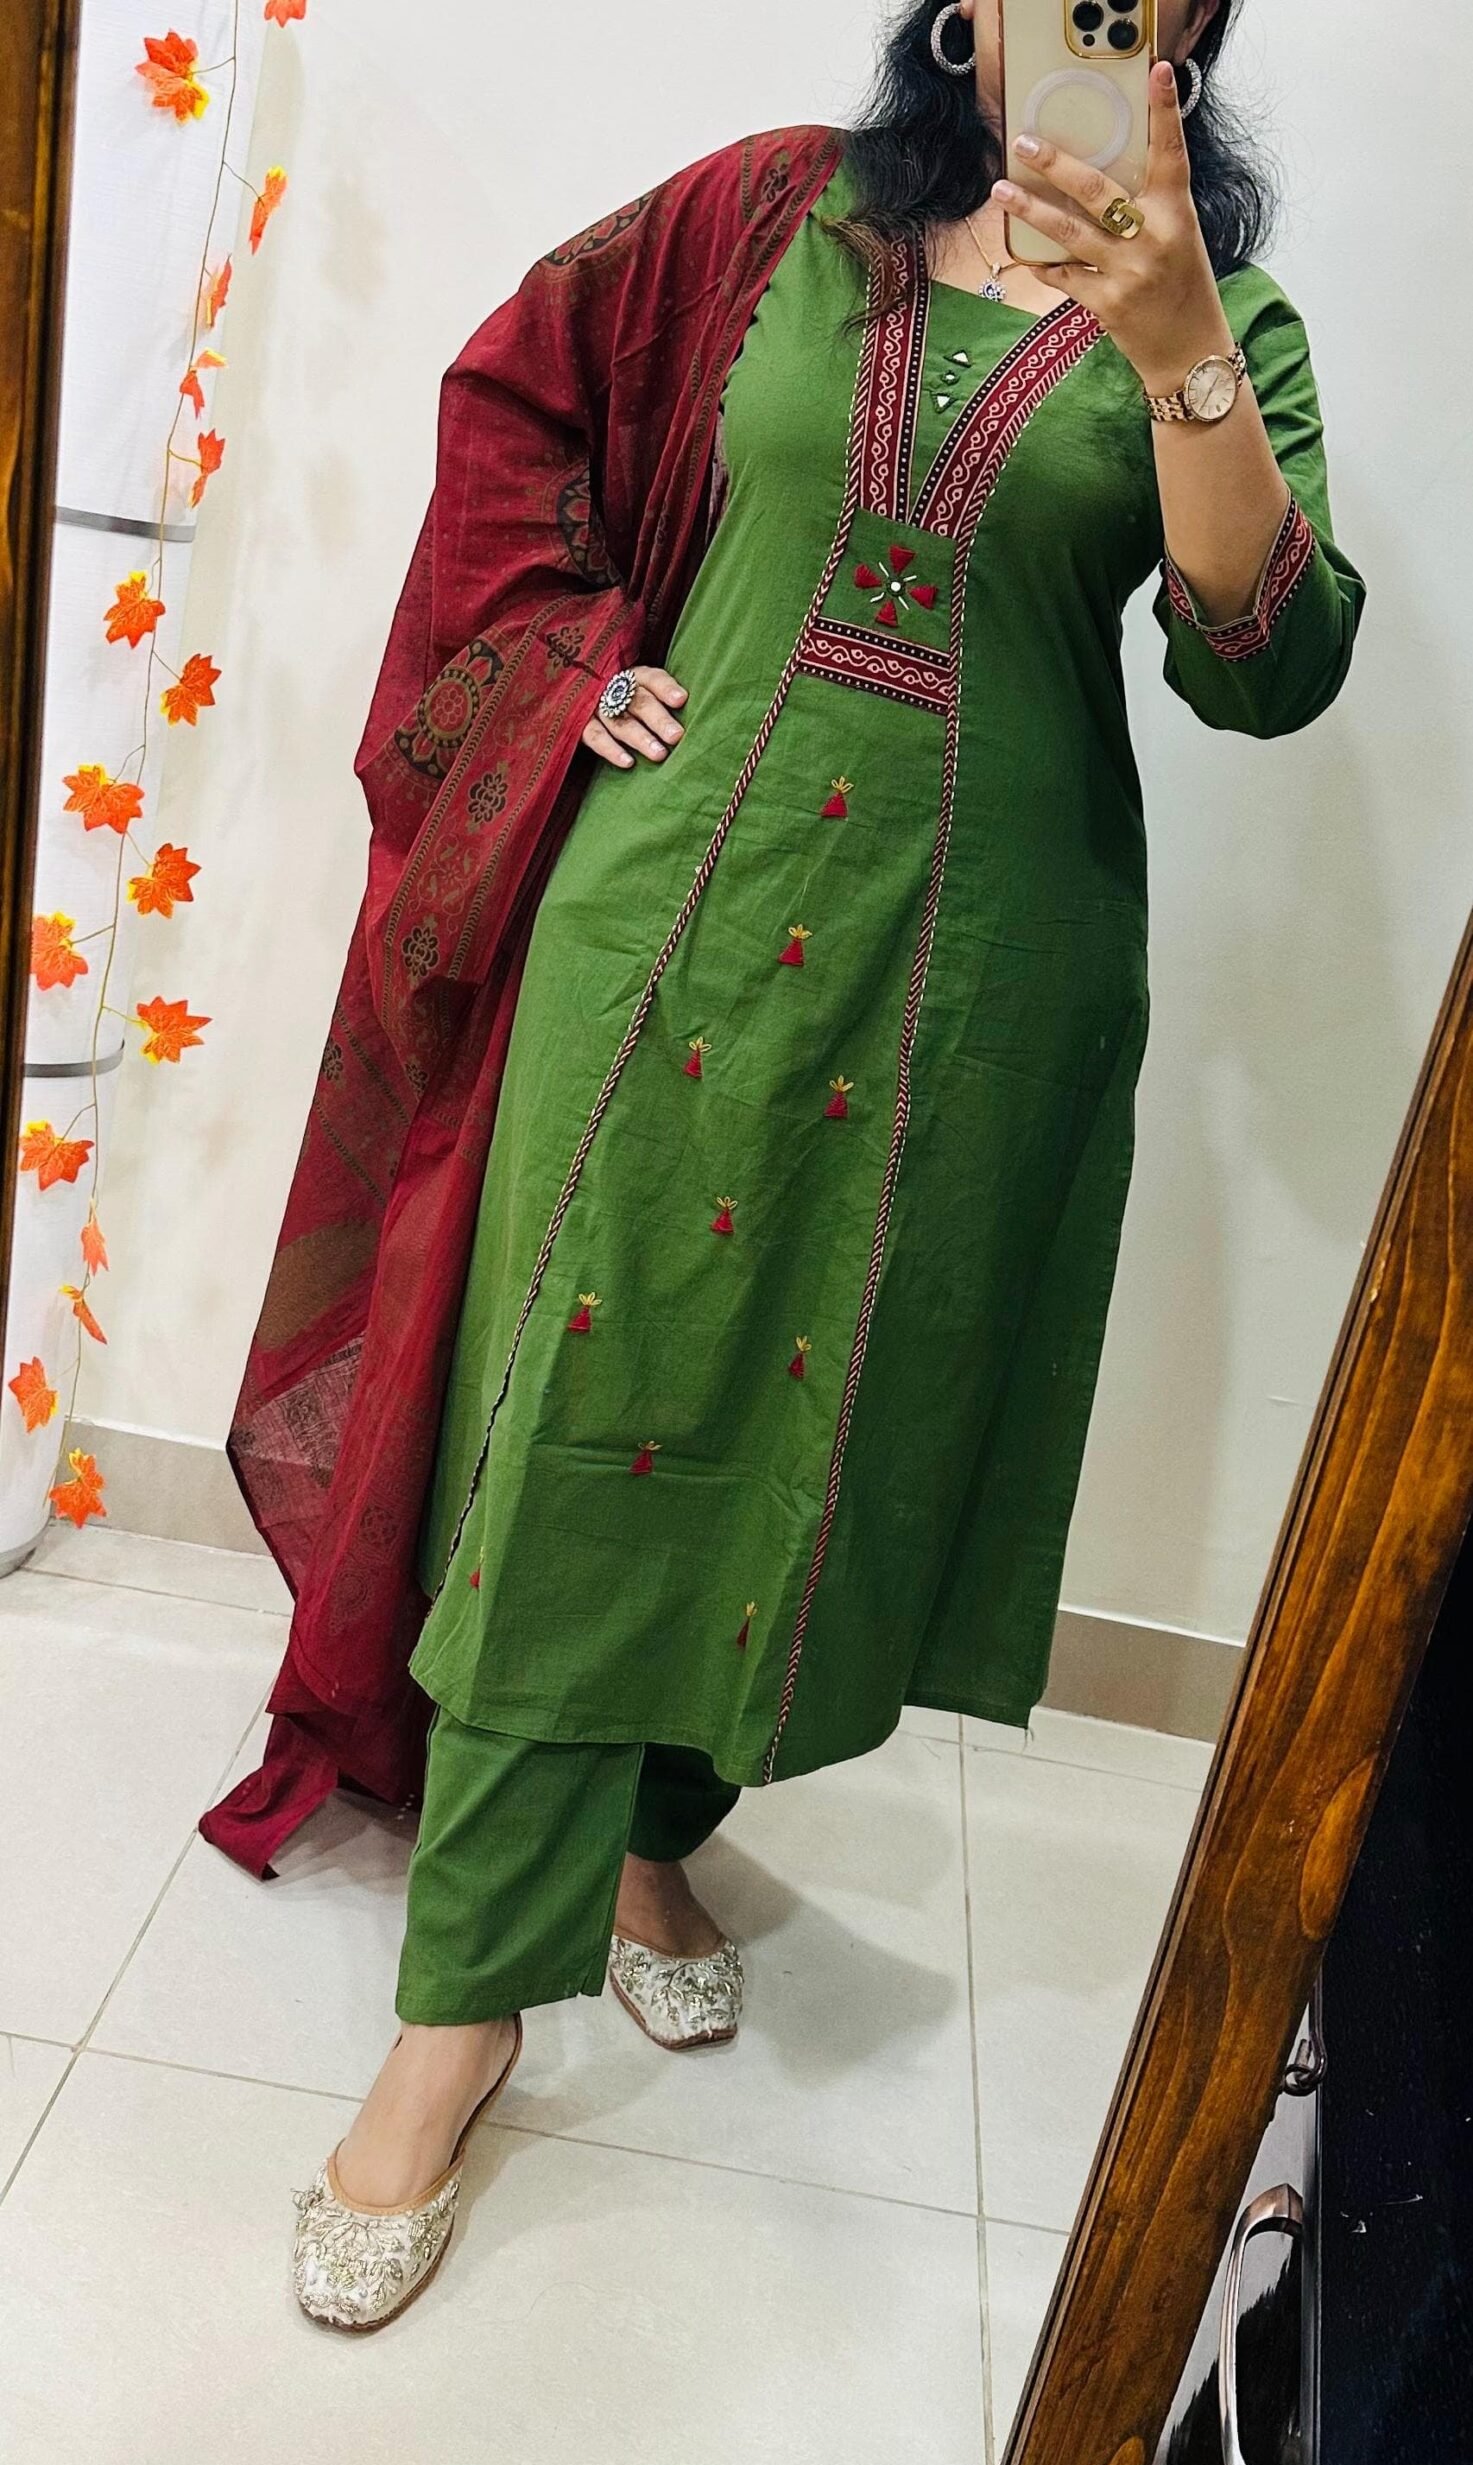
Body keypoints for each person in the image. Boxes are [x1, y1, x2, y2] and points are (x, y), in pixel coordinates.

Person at [283, 0, 1365, 2329]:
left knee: (814, 1430)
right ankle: (459, 2010)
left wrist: (1179, 350)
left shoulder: (1223, 316)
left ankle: (650, 1839)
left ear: (1190, 32)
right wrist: (561, 659)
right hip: (668, 915)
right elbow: (517, 408)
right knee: (575, 1422)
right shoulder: (772, 218)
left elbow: (1262, 667)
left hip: (975, 979)